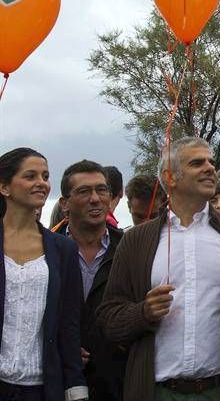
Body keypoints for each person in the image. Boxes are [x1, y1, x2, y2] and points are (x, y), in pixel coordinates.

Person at [97, 137, 220, 401]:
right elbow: (109, 319)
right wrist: (142, 312)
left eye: (211, 162)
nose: (210, 168)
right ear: (171, 177)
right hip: (159, 392)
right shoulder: (136, 241)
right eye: (197, 163)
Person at [0, 148, 87, 401]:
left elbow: (69, 325)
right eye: (30, 176)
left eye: (45, 176)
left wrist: (76, 388)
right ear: (4, 187)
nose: (41, 183)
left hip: (41, 388)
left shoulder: (63, 249)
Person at [58, 160, 125, 400]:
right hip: (58, 381)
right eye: (84, 191)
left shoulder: (129, 249)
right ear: (65, 203)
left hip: (117, 383)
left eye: (102, 190)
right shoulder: (45, 250)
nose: (95, 198)